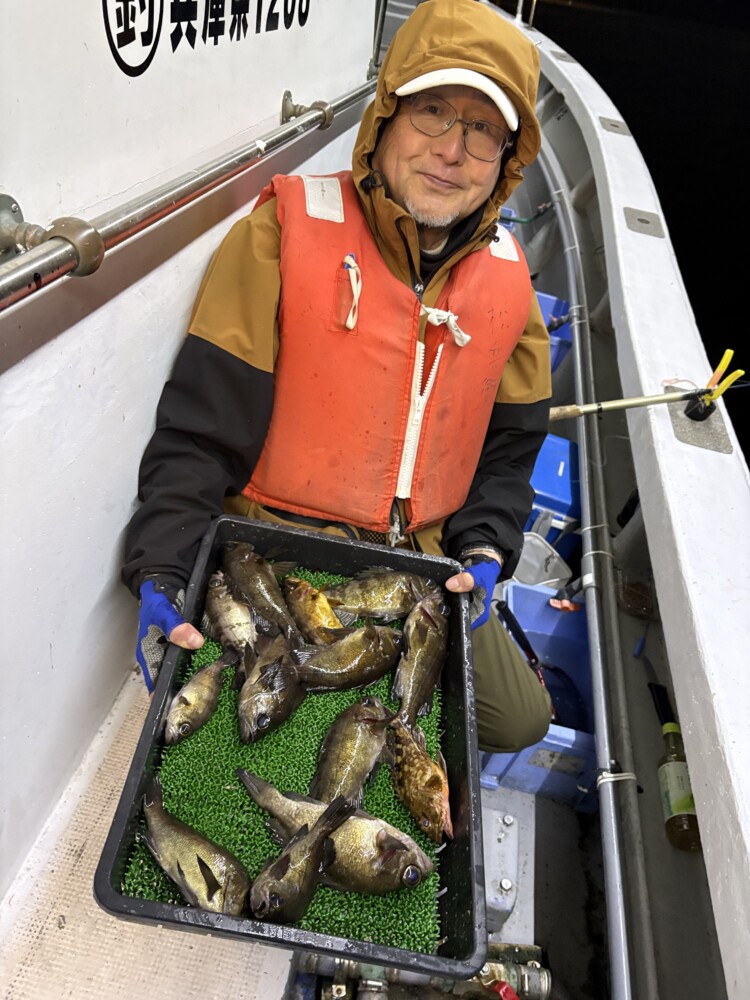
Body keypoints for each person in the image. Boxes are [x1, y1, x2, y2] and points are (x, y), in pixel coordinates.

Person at [122, 0, 552, 754]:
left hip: (421, 553)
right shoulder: (279, 234)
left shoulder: (514, 286)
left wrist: (484, 549)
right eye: (433, 112)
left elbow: (511, 455)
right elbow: (198, 431)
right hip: (278, 540)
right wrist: (164, 563)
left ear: (508, 161)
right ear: (385, 116)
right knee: (249, 725)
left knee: (518, 719)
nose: (453, 150)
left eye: (484, 130)